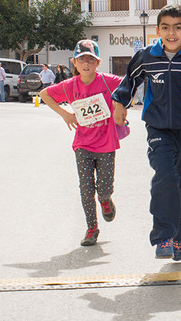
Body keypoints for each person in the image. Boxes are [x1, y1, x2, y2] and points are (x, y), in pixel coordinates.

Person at [111, 4, 181, 261]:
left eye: (177, 27)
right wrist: (120, 102)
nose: (171, 33)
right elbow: (129, 80)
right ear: (157, 30)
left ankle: (180, 236)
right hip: (158, 128)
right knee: (165, 175)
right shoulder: (147, 56)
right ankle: (163, 236)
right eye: (165, 27)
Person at [40, 40, 123, 246]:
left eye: (91, 60)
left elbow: (128, 85)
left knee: (103, 188)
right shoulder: (70, 85)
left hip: (106, 144)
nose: (86, 63)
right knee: (86, 189)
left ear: (98, 63)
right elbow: (44, 95)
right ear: (74, 63)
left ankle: (105, 200)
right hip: (82, 146)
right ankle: (91, 228)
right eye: (82, 59)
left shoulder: (107, 81)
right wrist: (65, 114)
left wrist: (120, 105)